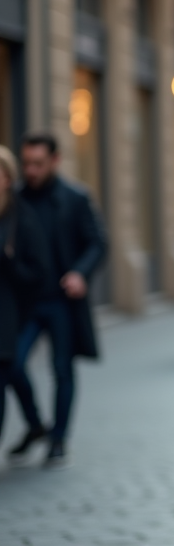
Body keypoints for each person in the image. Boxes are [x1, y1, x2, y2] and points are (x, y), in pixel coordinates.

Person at [7, 133, 106, 468]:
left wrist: (80, 273)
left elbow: (97, 243)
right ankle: (35, 425)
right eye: (27, 163)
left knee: (62, 369)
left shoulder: (75, 198)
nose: (31, 170)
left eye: (38, 163)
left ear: (55, 160)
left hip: (63, 301)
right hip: (26, 303)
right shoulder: (15, 198)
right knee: (12, 364)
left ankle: (59, 438)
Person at [0, 146, 48, 445]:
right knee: (13, 373)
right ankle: (34, 422)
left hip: (10, 313)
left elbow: (38, 272)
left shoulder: (22, 218)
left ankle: (36, 424)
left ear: (7, 178)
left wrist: (9, 262)